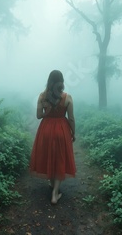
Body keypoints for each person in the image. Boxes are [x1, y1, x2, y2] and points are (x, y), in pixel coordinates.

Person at [29, 70, 76, 205]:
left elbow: (38, 116)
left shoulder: (42, 97)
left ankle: (51, 184)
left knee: (48, 155)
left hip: (46, 129)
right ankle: (55, 193)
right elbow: (71, 119)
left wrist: (47, 112)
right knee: (59, 158)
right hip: (61, 130)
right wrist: (73, 132)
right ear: (61, 82)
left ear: (49, 81)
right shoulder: (67, 98)